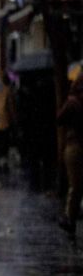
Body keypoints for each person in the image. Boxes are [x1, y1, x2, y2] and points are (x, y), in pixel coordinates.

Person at [56, 74, 83, 239]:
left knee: (75, 185)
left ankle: (70, 218)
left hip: (75, 146)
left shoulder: (73, 102)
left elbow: (59, 118)